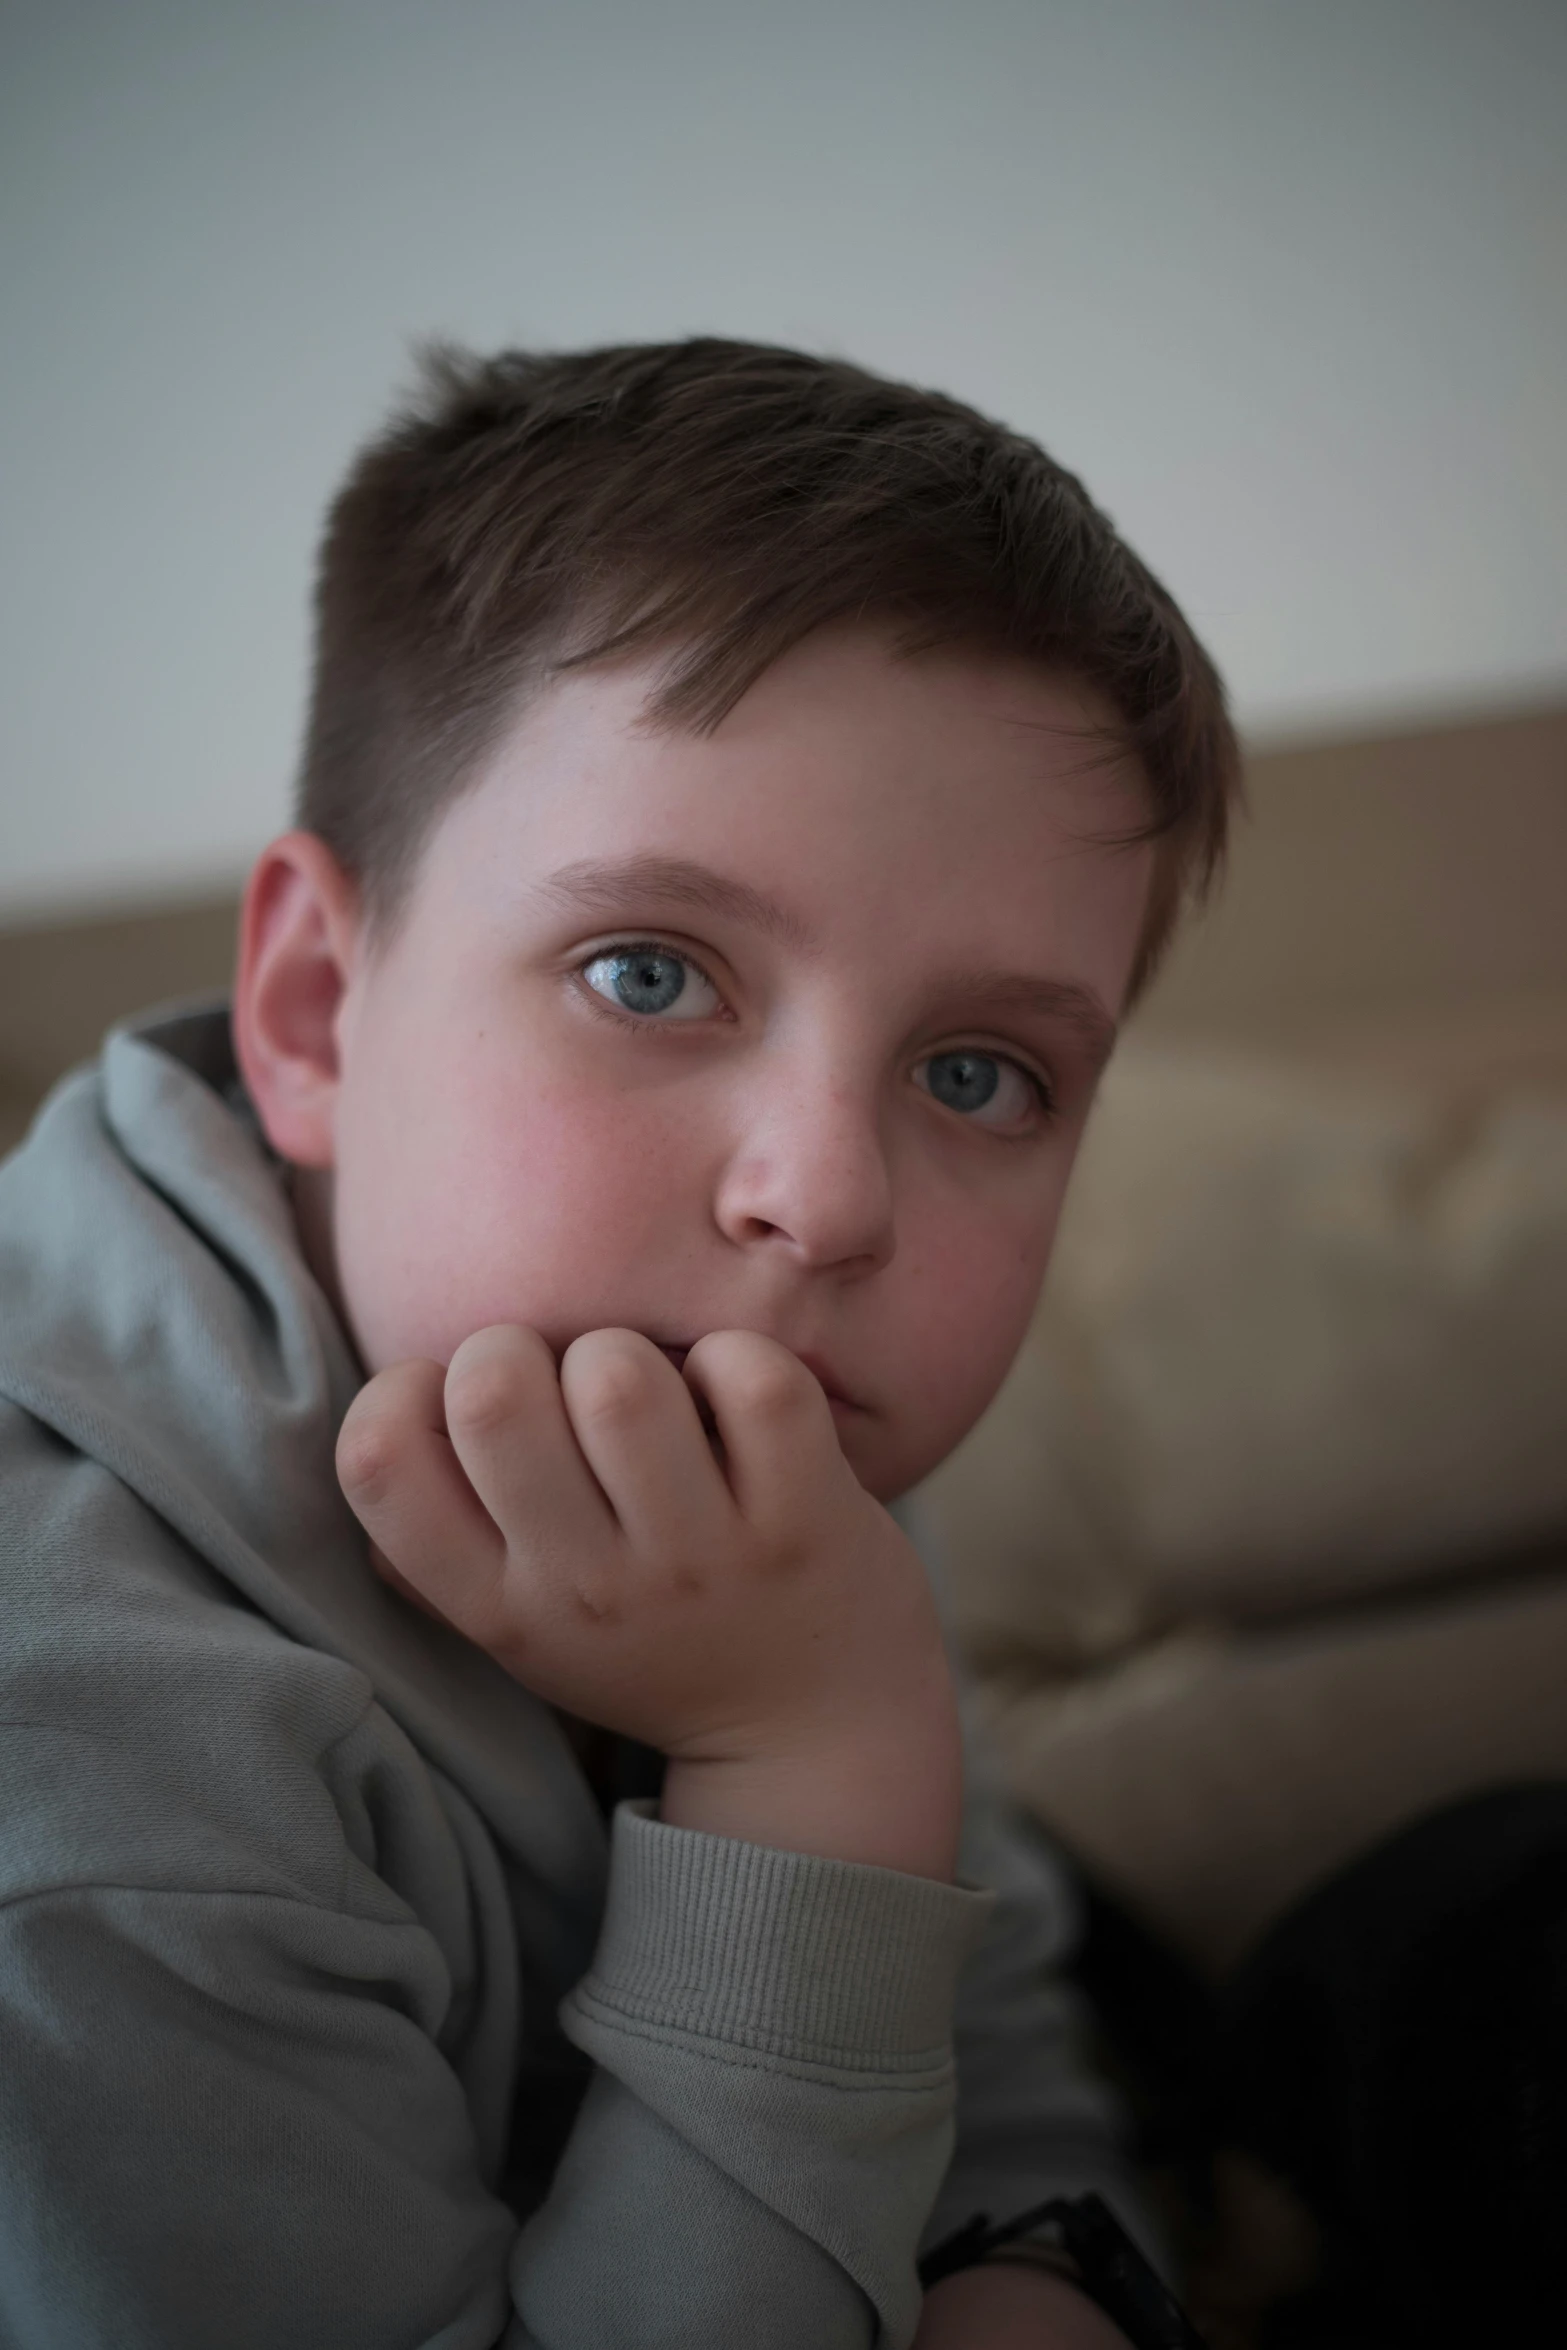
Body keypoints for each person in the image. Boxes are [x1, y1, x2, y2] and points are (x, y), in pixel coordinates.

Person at [0, 338, 1238, 2348]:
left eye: (980, 1071)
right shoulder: (83, 1775)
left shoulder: (727, 1418)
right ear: (317, 1007)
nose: (825, 1200)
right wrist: (810, 1764)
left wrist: (1041, 2277)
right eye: (648, 970)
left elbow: (1003, 2078)